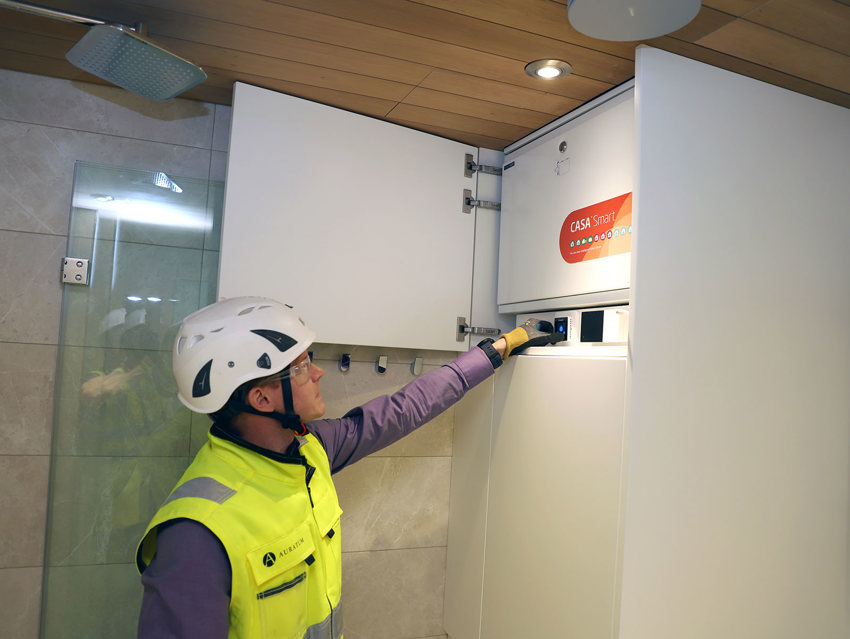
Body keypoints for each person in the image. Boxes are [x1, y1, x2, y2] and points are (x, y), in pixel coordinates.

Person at [136, 296, 562, 639]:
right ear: (261, 399)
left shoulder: (308, 450)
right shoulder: (197, 535)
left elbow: (403, 410)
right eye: (301, 367)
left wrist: (496, 350)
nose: (318, 373)